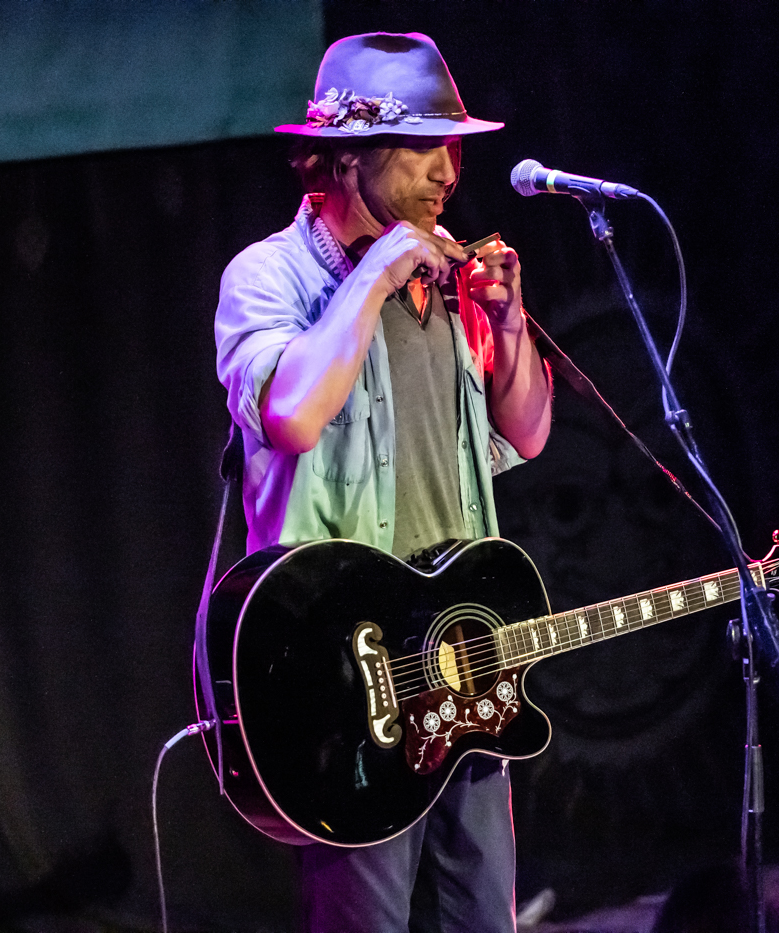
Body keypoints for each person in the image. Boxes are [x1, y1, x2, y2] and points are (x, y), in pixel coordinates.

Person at [214, 32, 552, 933]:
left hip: (460, 655)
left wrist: (508, 324)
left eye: (454, 148)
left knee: (484, 920)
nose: (449, 171)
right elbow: (290, 414)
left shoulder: (444, 280)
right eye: (422, 148)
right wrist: (372, 275)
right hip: (348, 680)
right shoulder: (268, 277)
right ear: (346, 156)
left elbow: (526, 432)